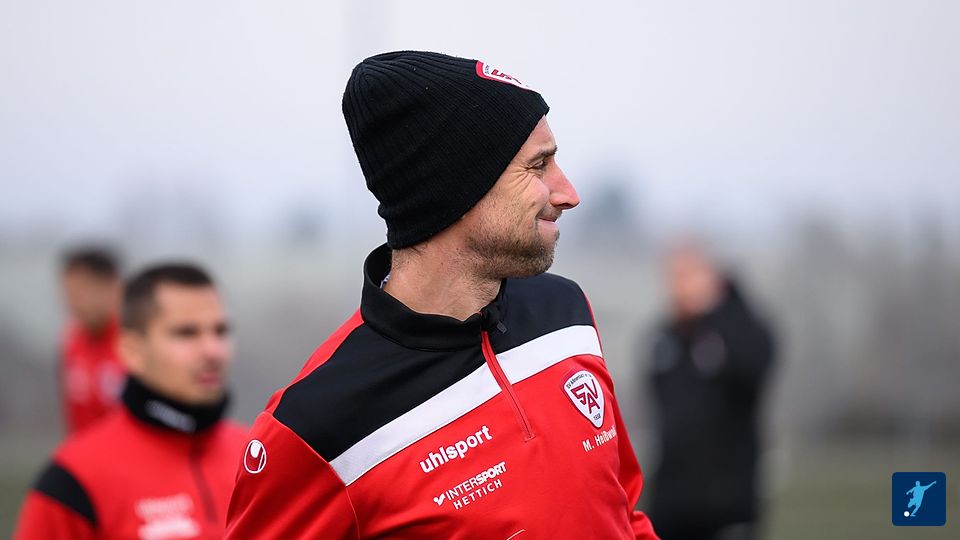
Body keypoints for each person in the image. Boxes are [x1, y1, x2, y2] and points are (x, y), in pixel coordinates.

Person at [226, 51, 659, 539]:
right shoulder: (314, 429)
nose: (568, 193)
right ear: (456, 188)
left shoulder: (564, 312)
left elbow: (624, 511)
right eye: (538, 166)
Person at [15, 264, 247, 539]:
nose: (213, 351)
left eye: (221, 331)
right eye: (186, 333)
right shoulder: (73, 480)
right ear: (132, 350)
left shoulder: (257, 458)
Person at [645, 243, 775, 540]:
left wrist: (719, 311)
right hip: (672, 503)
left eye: (688, 275)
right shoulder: (665, 339)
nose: (679, 286)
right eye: (674, 277)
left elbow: (755, 368)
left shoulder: (740, 330)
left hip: (727, 503)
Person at [59, 247, 126, 434]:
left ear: (113, 288)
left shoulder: (138, 343)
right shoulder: (72, 341)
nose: (74, 304)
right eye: (69, 294)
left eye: (81, 293)